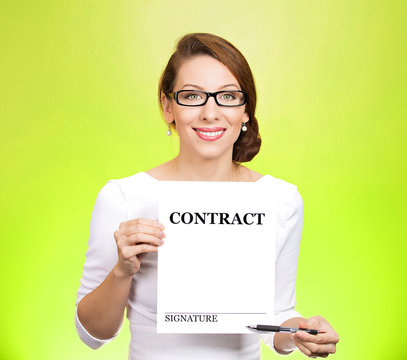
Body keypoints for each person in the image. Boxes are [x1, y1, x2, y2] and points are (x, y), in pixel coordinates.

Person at [75, 33, 339, 359]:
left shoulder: (280, 200)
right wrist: (122, 271)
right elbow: (92, 335)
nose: (210, 113)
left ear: (245, 110)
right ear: (168, 106)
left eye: (228, 97)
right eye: (192, 96)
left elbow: (274, 318)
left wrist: (301, 332)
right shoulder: (124, 197)